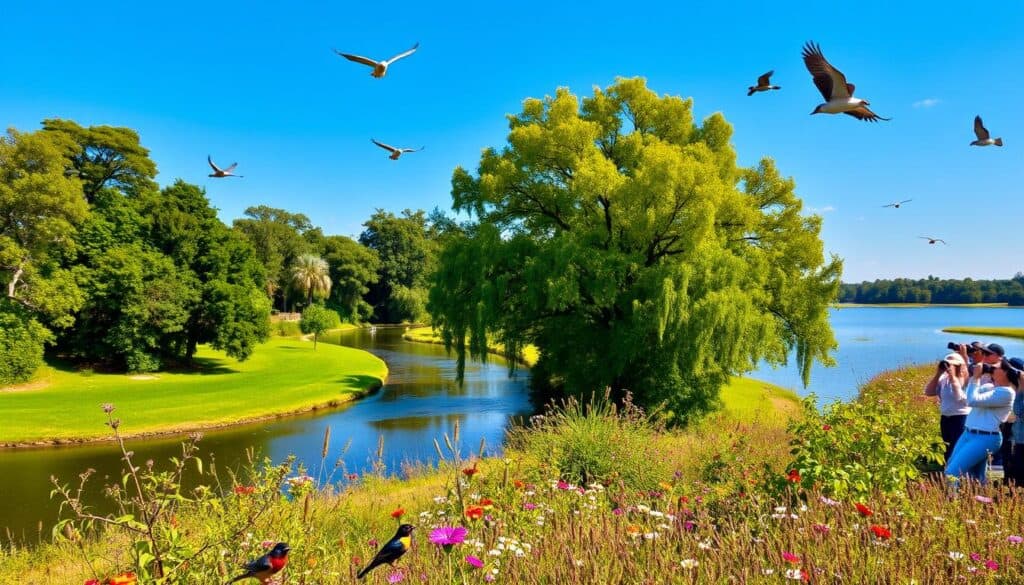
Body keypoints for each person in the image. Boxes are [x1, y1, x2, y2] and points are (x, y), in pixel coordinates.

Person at [944, 357, 1017, 486]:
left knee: (952, 472)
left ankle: (952, 503)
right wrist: (975, 377)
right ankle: (979, 501)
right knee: (975, 477)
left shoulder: (1007, 393)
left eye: (995, 367)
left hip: (986, 438)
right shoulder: (990, 387)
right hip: (968, 433)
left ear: (1006, 372)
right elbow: (969, 396)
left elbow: (972, 400)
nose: (992, 368)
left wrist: (976, 378)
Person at [924, 352, 969, 462]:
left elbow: (959, 397)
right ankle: (948, 473)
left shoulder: (965, 379)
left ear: (958, 366)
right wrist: (938, 374)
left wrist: (953, 377)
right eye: (947, 364)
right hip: (946, 417)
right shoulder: (943, 378)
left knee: (957, 447)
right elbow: (928, 392)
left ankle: (959, 474)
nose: (948, 367)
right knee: (947, 447)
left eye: (952, 364)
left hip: (961, 418)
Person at [1008, 357, 1024, 487]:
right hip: (1019, 439)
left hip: (1022, 441)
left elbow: (1019, 411)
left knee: (1020, 474)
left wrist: (1021, 389)